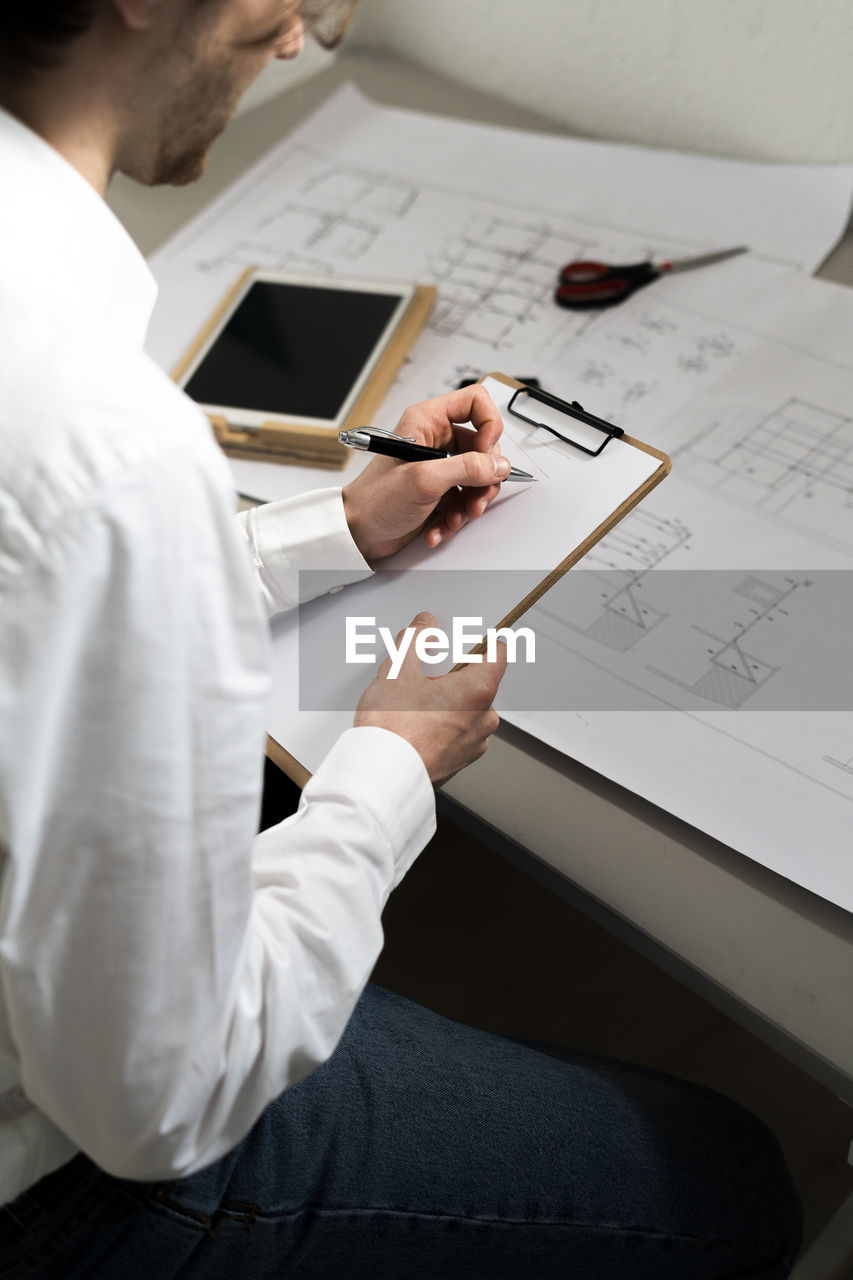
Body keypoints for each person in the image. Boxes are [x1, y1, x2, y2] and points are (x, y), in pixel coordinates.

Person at [0, 3, 803, 1276]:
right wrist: (391, 761)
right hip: (58, 1177)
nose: (306, 35)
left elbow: (30, 580)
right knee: (735, 1178)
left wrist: (335, 534)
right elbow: (165, 1099)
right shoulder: (107, 450)